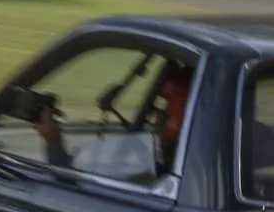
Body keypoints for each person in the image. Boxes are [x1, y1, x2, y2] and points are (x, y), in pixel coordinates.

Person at [32, 62, 194, 175]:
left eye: (167, 106)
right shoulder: (183, 165)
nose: (158, 115)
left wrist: (53, 140)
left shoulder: (166, 177)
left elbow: (70, 181)